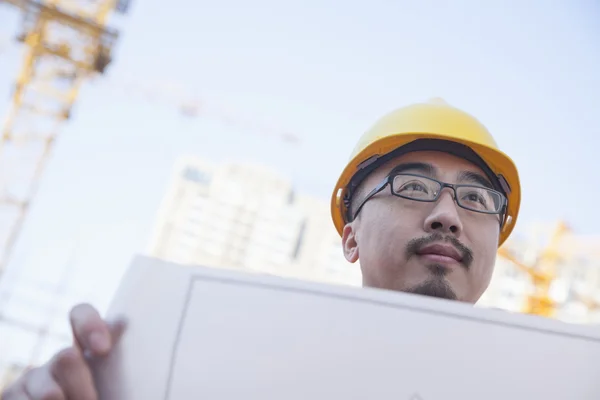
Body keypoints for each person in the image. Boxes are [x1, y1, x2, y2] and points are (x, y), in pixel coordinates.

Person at [2, 98, 521, 399]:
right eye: (412, 187)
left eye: (477, 199)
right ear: (350, 236)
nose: (448, 216)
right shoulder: (221, 374)